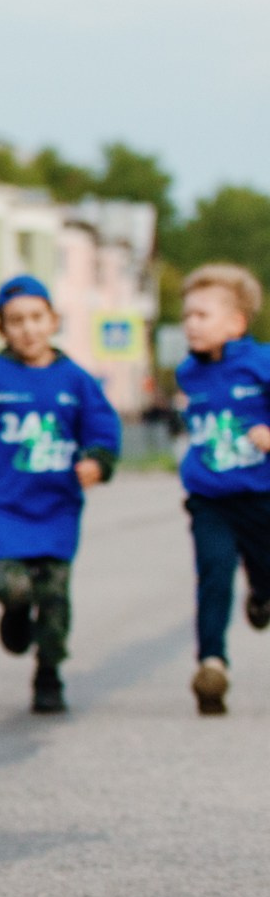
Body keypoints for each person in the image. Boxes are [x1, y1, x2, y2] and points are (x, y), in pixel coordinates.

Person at [0, 276, 120, 715]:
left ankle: (49, 674)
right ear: (2, 328)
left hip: (55, 506)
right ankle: (16, 612)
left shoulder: (75, 379)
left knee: (54, 595)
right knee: (14, 586)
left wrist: (97, 462)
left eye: (37, 318)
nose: (28, 329)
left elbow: (102, 429)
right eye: (16, 320)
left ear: (53, 320)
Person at [169, 264, 270, 715]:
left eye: (202, 315)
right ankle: (212, 665)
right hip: (210, 497)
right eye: (187, 315)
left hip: (261, 495)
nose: (191, 324)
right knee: (213, 574)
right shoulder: (189, 373)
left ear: (236, 322)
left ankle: (262, 594)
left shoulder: (261, 364)